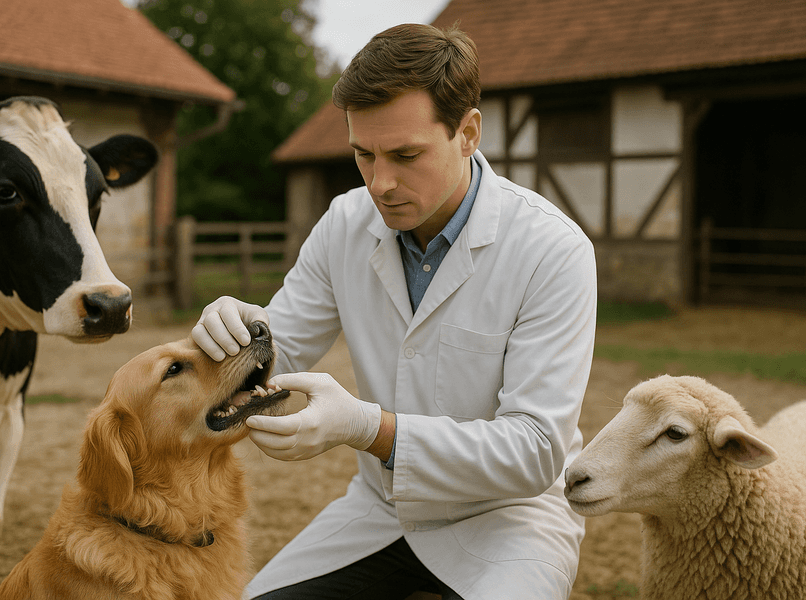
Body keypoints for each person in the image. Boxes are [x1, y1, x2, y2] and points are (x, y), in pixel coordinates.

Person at [192, 22, 597, 600]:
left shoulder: (553, 250)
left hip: (510, 522)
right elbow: (281, 351)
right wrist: (236, 334)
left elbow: (533, 453)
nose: (381, 184)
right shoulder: (344, 223)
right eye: (364, 155)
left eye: (407, 155)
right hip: (382, 513)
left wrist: (367, 427)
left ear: (468, 133)